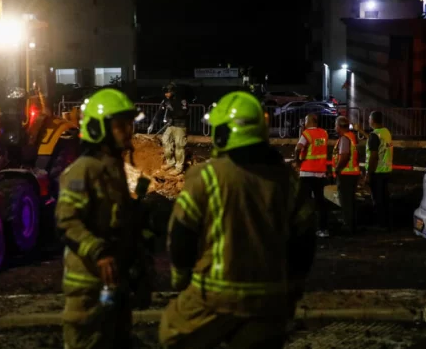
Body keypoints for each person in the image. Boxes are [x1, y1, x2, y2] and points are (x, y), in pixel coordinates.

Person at [159, 91, 316, 349]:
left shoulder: (206, 175)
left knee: (171, 333)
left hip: (215, 296)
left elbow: (181, 235)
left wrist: (181, 279)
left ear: (222, 133)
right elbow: (305, 238)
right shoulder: (287, 180)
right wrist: (293, 287)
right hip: (271, 299)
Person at [56, 88, 146, 349]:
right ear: (98, 128)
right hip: (88, 286)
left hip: (112, 283)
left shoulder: (113, 168)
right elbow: (66, 221)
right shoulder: (84, 169)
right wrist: (98, 252)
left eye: (129, 125)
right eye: (120, 126)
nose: (128, 131)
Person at [293, 113, 329, 238]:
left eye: (306, 120)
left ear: (311, 121)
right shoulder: (324, 133)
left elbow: (298, 148)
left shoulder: (307, 134)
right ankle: (323, 229)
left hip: (307, 172)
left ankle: (304, 228)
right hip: (320, 172)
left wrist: (297, 162)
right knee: (320, 201)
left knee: (303, 201)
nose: (304, 123)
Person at [147, 83, 189, 175]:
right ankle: (170, 162)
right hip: (170, 125)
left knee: (179, 146)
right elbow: (159, 112)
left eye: (168, 92)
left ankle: (179, 168)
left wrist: (172, 113)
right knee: (165, 140)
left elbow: (184, 112)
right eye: (165, 93)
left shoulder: (181, 99)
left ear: (173, 91)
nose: (166, 94)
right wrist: (152, 123)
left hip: (180, 126)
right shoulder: (166, 100)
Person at [365, 111, 393, 230]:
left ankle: (381, 225)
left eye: (369, 119)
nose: (368, 121)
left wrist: (368, 173)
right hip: (387, 171)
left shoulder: (374, 135)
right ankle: (386, 223)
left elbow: (373, 156)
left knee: (377, 200)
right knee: (385, 199)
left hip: (377, 172)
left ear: (373, 121)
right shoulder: (386, 132)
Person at [332, 116, 361, 234]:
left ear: (339, 127)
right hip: (353, 173)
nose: (335, 127)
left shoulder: (344, 139)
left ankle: (348, 226)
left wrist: (337, 169)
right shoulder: (352, 136)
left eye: (335, 125)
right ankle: (352, 225)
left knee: (346, 202)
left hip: (345, 174)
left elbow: (344, 156)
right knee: (350, 201)